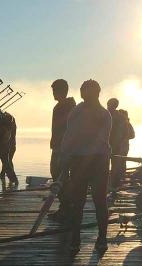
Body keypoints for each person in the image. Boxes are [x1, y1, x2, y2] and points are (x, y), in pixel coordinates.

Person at [59, 79, 112, 254]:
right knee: (77, 202)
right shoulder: (76, 112)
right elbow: (69, 137)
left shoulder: (104, 114)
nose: (85, 94)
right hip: (79, 161)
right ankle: (75, 238)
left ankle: (102, 238)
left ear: (97, 93)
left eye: (89, 91)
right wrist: (65, 159)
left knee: (100, 201)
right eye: (83, 90)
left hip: (98, 161)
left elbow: (101, 138)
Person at [48, 79, 77, 220]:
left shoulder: (65, 107)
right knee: (60, 177)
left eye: (55, 90)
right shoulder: (63, 106)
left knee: (59, 177)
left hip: (62, 148)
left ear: (62, 91)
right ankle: (66, 206)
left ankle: (67, 207)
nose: (53, 93)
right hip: (60, 147)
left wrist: (62, 148)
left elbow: (67, 129)